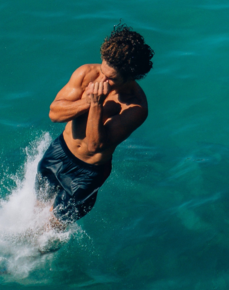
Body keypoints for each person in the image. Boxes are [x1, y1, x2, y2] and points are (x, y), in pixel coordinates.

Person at [35, 24, 154, 228]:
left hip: (86, 174)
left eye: (111, 78)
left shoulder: (135, 107)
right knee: (37, 205)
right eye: (103, 70)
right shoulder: (87, 73)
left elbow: (94, 146)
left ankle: (33, 258)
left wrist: (97, 105)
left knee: (54, 228)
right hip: (59, 151)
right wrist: (88, 102)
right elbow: (54, 113)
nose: (102, 79)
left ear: (130, 77)